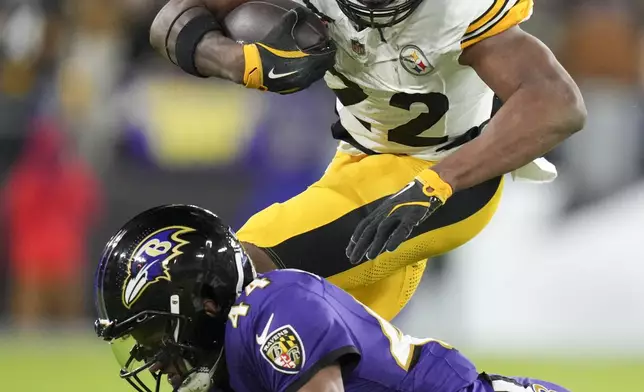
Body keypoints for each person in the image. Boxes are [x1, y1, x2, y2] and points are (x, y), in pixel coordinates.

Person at [147, 0, 587, 321]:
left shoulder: (457, 9)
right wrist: (234, 61)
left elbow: (559, 103)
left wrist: (436, 184)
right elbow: (168, 20)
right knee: (318, 343)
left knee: (231, 275)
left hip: (449, 177)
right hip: (355, 164)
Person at [94, 205, 569, 392]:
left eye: (154, 333)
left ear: (207, 302)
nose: (154, 360)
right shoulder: (235, 362)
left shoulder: (270, 306)